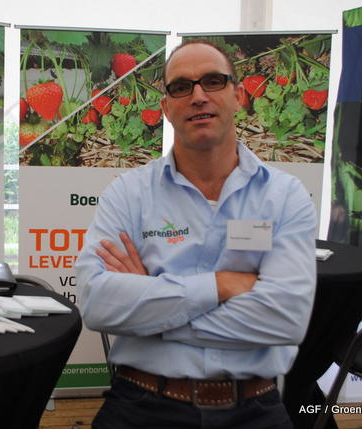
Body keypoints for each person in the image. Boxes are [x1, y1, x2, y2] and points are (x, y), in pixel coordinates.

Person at [75, 40, 317, 429]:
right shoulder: (128, 193)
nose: (198, 96)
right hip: (142, 404)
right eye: (181, 87)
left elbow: (285, 318)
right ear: (166, 107)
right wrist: (222, 285)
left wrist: (153, 312)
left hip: (254, 409)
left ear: (239, 96)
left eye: (213, 81)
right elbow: (97, 304)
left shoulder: (285, 196)